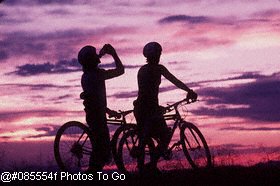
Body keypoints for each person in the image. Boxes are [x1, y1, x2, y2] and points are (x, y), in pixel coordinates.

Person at [134, 41, 197, 174]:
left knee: (146, 137)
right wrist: (188, 90)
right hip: (149, 108)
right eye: (158, 53)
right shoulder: (158, 69)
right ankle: (150, 165)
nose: (159, 56)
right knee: (163, 136)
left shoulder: (142, 69)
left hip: (141, 107)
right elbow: (174, 80)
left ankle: (146, 167)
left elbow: (145, 91)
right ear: (155, 55)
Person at [78, 44, 124, 171]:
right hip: (97, 115)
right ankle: (91, 174)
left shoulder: (87, 75)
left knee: (100, 148)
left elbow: (95, 98)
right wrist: (113, 54)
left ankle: (93, 173)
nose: (98, 58)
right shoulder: (97, 74)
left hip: (94, 114)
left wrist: (108, 111)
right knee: (101, 150)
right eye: (95, 56)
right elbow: (120, 70)